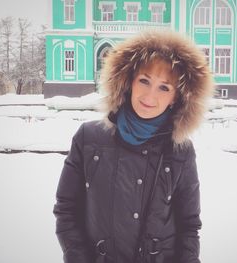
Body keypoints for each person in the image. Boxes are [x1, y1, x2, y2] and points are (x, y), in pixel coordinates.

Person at [53, 30, 213, 263]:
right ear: (129, 82)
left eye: (164, 87)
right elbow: (67, 210)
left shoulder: (180, 150)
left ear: (176, 98)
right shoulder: (89, 138)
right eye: (144, 81)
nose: (150, 95)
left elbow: (189, 225)